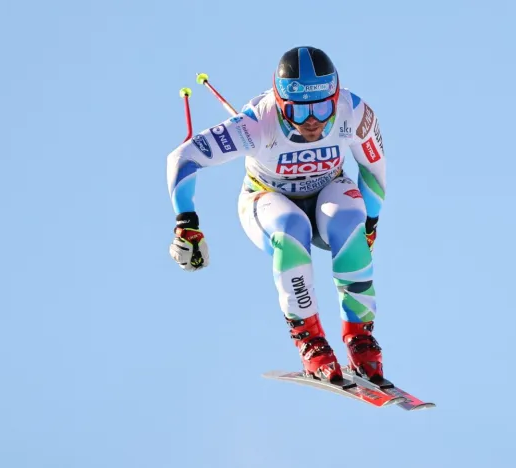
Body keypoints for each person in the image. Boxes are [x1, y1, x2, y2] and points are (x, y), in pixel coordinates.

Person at [165, 46, 387, 384]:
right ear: (282, 106)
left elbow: (373, 170)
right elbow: (182, 158)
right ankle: (311, 341)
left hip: (328, 191)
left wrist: (371, 223)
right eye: (299, 112)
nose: (312, 120)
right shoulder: (257, 123)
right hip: (267, 198)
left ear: (335, 97)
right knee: (290, 227)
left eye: (322, 107)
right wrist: (187, 225)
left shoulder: (352, 113)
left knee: (350, 221)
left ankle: (361, 340)